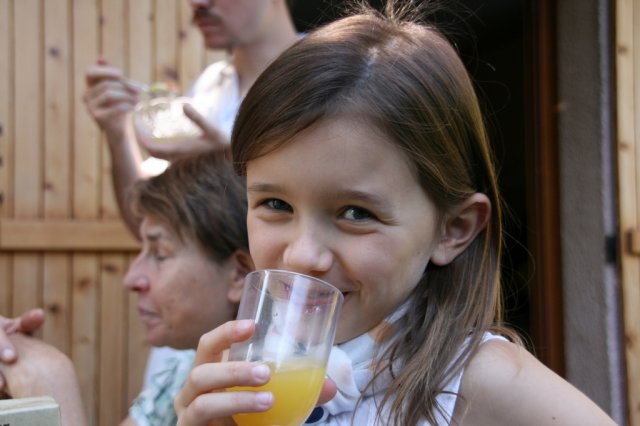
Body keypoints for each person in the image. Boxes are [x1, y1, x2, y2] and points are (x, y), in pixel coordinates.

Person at [173, 3, 618, 425]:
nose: (302, 255)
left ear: (453, 229)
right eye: (275, 205)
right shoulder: (253, 369)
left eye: (355, 213)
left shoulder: (478, 379)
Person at [0, 151, 253, 426]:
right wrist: (19, 359)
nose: (131, 278)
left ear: (239, 275)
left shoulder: (271, 388)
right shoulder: (183, 370)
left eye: (160, 254)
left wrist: (50, 383)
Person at [83, 0, 299, 237]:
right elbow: (149, 223)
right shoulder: (208, 87)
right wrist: (118, 132)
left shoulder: (325, 77)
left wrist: (231, 163)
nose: (196, 2)